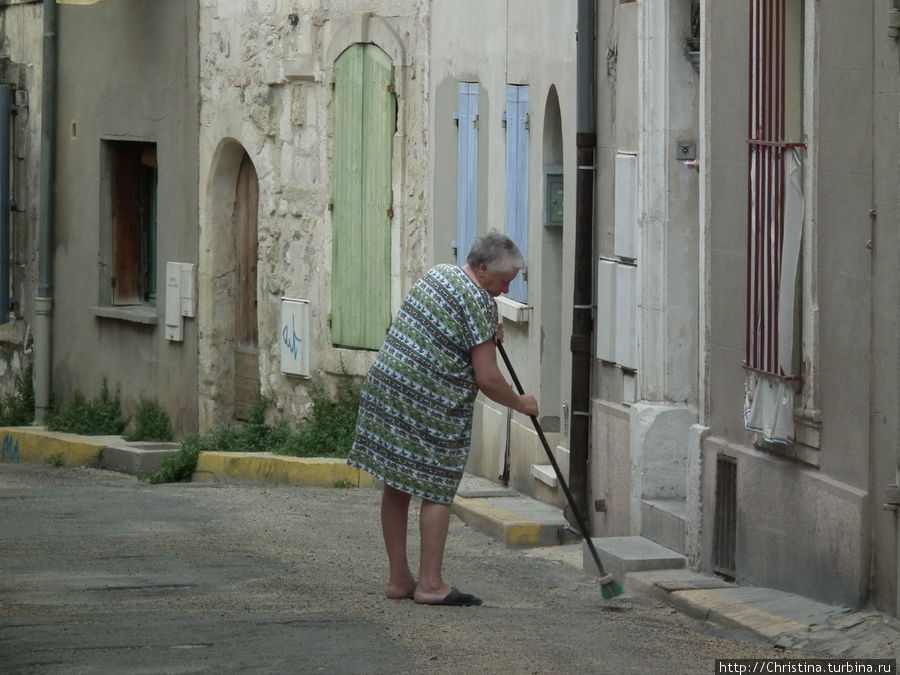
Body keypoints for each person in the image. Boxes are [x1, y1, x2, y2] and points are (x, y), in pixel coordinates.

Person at [347, 232, 539, 607]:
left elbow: (445, 331)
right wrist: (520, 403)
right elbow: (487, 378)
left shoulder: (439, 274)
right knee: (436, 488)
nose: (502, 291)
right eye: (502, 282)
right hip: (429, 401)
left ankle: (399, 578)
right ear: (483, 270)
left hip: (387, 386)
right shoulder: (480, 302)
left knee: (396, 481)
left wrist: (485, 331)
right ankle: (430, 584)